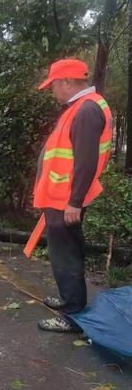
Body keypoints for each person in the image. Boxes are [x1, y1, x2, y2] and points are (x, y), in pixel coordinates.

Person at [34, 58, 113, 332]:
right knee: (65, 253)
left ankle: (71, 316)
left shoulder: (87, 110)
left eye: (53, 86)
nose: (52, 92)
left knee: (66, 255)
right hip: (62, 197)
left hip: (66, 199)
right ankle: (70, 300)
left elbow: (85, 162)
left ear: (66, 81)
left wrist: (74, 203)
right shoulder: (80, 108)